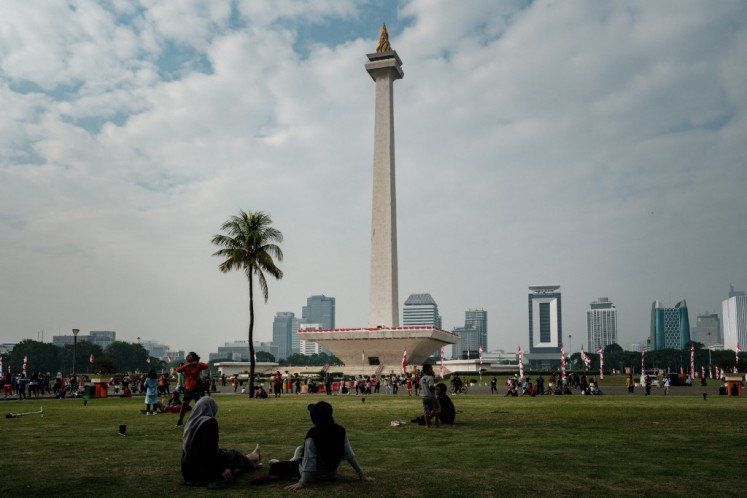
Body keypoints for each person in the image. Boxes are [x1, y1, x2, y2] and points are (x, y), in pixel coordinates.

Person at [269, 401, 374, 490]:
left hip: (313, 476)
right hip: (332, 473)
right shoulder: (341, 431)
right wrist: (361, 474)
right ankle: (296, 459)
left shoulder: (312, 435)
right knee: (301, 451)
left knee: (275, 467)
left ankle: (289, 462)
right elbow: (349, 455)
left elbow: (309, 462)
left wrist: (301, 483)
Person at [181, 397, 262, 487]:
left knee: (227, 453)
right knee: (234, 454)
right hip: (203, 471)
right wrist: (221, 469)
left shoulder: (191, 422)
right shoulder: (209, 422)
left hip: (188, 471)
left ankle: (251, 457)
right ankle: (253, 463)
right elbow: (210, 452)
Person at [176, 352, 209, 427]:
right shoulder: (186, 366)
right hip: (188, 389)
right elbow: (178, 370)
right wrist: (187, 365)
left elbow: (206, 366)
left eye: (189, 356)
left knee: (199, 405)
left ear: (193, 358)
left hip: (197, 389)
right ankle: (180, 420)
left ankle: (201, 420)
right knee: (184, 405)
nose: (187, 357)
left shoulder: (198, 365)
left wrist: (197, 363)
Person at [420, 364, 440, 428]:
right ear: (427, 370)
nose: (432, 370)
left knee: (426, 411)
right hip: (431, 397)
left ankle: (427, 425)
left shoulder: (422, 378)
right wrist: (437, 388)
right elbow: (430, 386)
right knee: (437, 409)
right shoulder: (430, 377)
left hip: (424, 397)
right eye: (431, 369)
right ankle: (436, 423)